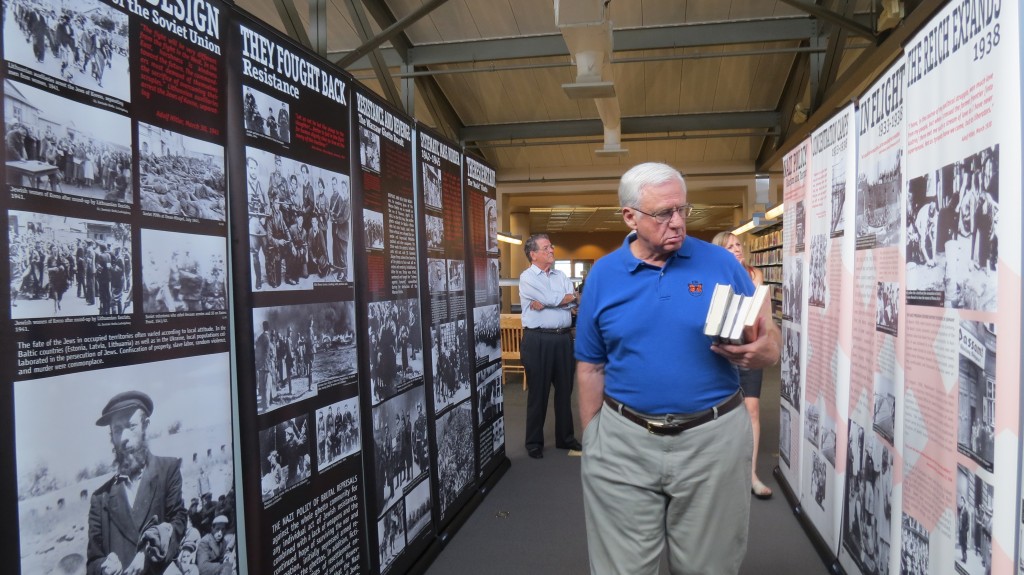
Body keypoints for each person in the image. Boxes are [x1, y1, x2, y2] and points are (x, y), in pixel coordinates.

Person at [574, 162, 780, 575]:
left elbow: (768, 336)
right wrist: (593, 439)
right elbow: (591, 366)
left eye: (683, 210)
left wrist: (763, 351)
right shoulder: (604, 276)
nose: (678, 222)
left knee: (711, 566)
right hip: (623, 442)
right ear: (629, 216)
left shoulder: (722, 264)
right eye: (663, 213)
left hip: (713, 441)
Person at [87, 390, 188, 575]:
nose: (124, 437)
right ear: (111, 436)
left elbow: (179, 523)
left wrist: (148, 554)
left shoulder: (168, 470)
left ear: (145, 426)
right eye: (117, 430)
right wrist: (104, 567)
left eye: (131, 426)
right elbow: (93, 562)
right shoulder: (99, 498)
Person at [712, 231, 773, 500]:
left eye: (738, 245)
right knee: (719, 411)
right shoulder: (712, 274)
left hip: (747, 347)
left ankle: (751, 474)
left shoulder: (755, 275)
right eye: (729, 246)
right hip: (720, 350)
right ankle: (720, 473)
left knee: (752, 409)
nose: (736, 249)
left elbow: (762, 314)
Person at [518, 233, 580, 459]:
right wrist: (561, 300)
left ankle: (566, 438)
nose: (551, 250)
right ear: (533, 254)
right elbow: (560, 300)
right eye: (546, 248)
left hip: (563, 339)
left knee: (565, 392)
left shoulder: (561, 274)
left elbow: (571, 299)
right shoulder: (527, 277)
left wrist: (551, 302)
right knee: (538, 393)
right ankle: (534, 442)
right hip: (538, 341)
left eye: (551, 247)